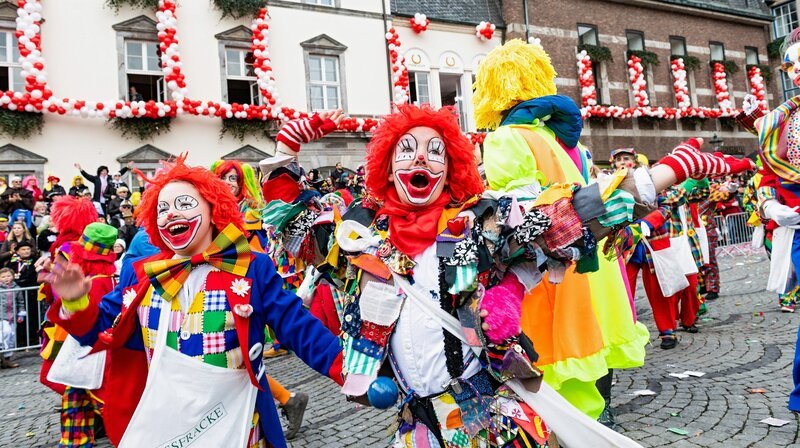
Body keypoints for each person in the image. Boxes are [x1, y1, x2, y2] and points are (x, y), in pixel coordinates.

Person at [472, 39, 754, 424]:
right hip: (590, 273)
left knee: (555, 380)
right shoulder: (563, 141)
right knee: (588, 367)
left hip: (550, 273)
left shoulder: (507, 138)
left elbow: (522, 220)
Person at [42, 155, 344, 447]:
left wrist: (351, 372)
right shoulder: (142, 274)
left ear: (214, 210)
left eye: (184, 204)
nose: (171, 213)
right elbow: (98, 329)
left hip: (238, 422)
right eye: (162, 209)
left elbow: (298, 328)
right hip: (168, 425)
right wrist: (75, 302)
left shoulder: (251, 267)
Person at [0, 267, 24, 368]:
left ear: (13, 276)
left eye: (8, 276)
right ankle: (2, 357)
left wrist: (21, 314)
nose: (6, 278)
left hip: (12, 316)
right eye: (3, 277)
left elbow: (20, 302)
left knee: (11, 338)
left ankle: (7, 359)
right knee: (5, 334)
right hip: (1, 317)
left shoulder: (17, 288)